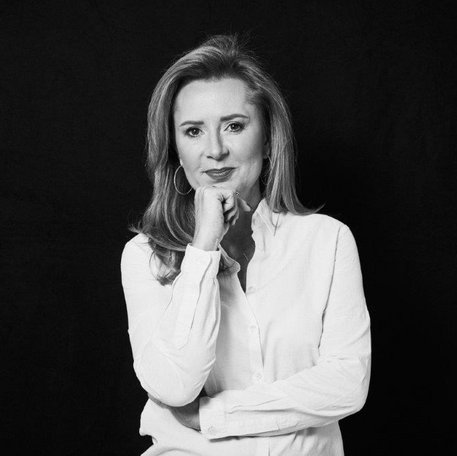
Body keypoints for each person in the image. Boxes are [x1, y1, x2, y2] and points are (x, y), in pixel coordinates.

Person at [121, 34, 371, 456]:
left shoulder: (327, 241)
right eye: (194, 131)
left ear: (268, 139)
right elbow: (174, 386)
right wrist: (204, 247)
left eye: (234, 126)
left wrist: (212, 416)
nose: (215, 150)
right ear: (175, 150)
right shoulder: (145, 256)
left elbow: (348, 384)